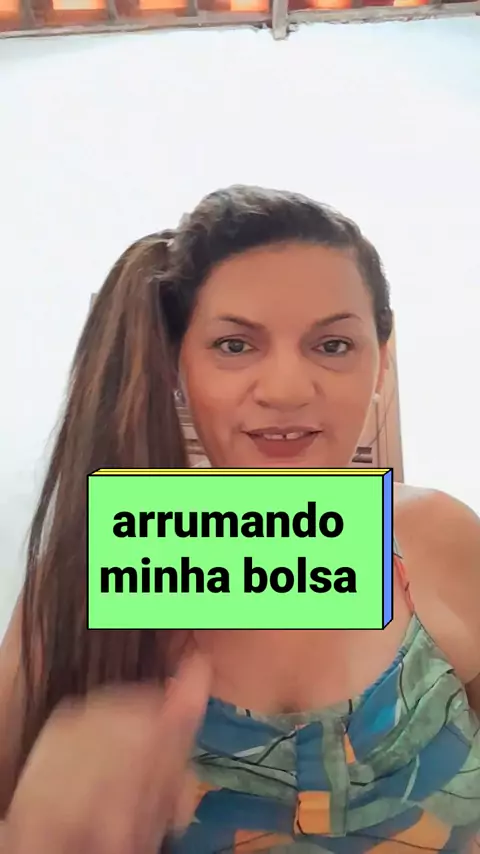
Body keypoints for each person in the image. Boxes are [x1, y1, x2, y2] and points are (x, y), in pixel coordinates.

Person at [0, 184, 479, 854]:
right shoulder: (93, 569)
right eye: (234, 345)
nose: (286, 390)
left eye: (333, 345)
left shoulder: (440, 539)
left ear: (381, 359)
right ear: (177, 364)